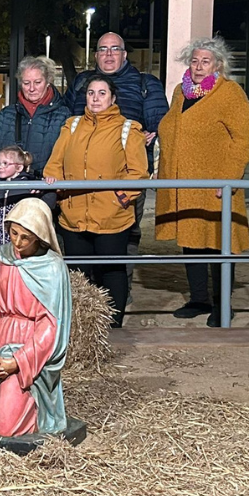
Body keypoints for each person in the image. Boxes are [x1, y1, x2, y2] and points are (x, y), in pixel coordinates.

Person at [155, 37, 249, 327]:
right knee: (191, 241)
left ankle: (223, 304)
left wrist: (229, 180)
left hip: (216, 185)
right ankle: (199, 298)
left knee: (218, 243)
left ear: (218, 65)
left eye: (205, 61)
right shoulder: (180, 92)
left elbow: (244, 139)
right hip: (184, 186)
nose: (198, 66)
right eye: (195, 61)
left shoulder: (230, 93)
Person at [66, 32, 168, 305]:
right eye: (103, 49)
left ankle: (117, 294)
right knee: (82, 236)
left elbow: (162, 124)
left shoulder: (146, 84)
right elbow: (67, 122)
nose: (109, 54)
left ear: (125, 54)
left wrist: (151, 133)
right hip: (83, 179)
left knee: (125, 235)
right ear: (96, 55)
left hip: (125, 178)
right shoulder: (80, 83)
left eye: (115, 49)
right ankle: (88, 301)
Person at [0, 198, 72, 437]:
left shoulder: (52, 268)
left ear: (40, 237)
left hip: (31, 351)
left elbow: (51, 325)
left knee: (5, 426)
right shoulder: (2, 257)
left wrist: (18, 362)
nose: (17, 243)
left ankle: (37, 412)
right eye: (13, 233)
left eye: (25, 237)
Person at [44, 74, 149, 327]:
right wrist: (58, 190)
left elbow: (138, 173)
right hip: (73, 216)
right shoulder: (71, 126)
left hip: (111, 217)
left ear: (113, 98)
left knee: (112, 271)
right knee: (79, 273)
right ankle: (83, 326)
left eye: (102, 93)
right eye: (91, 92)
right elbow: (54, 165)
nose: (95, 98)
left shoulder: (128, 129)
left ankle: (113, 324)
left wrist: (119, 199)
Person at [0, 56, 70, 176]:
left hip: (47, 188)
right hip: (8, 188)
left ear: (48, 82)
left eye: (38, 82)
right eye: (26, 83)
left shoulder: (64, 116)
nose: (32, 88)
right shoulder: (5, 116)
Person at [0, 145, 55, 249]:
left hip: (25, 249)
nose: (0, 167)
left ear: (19, 167)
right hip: (1, 248)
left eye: (5, 163)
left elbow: (48, 205)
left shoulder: (31, 187)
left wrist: (50, 187)